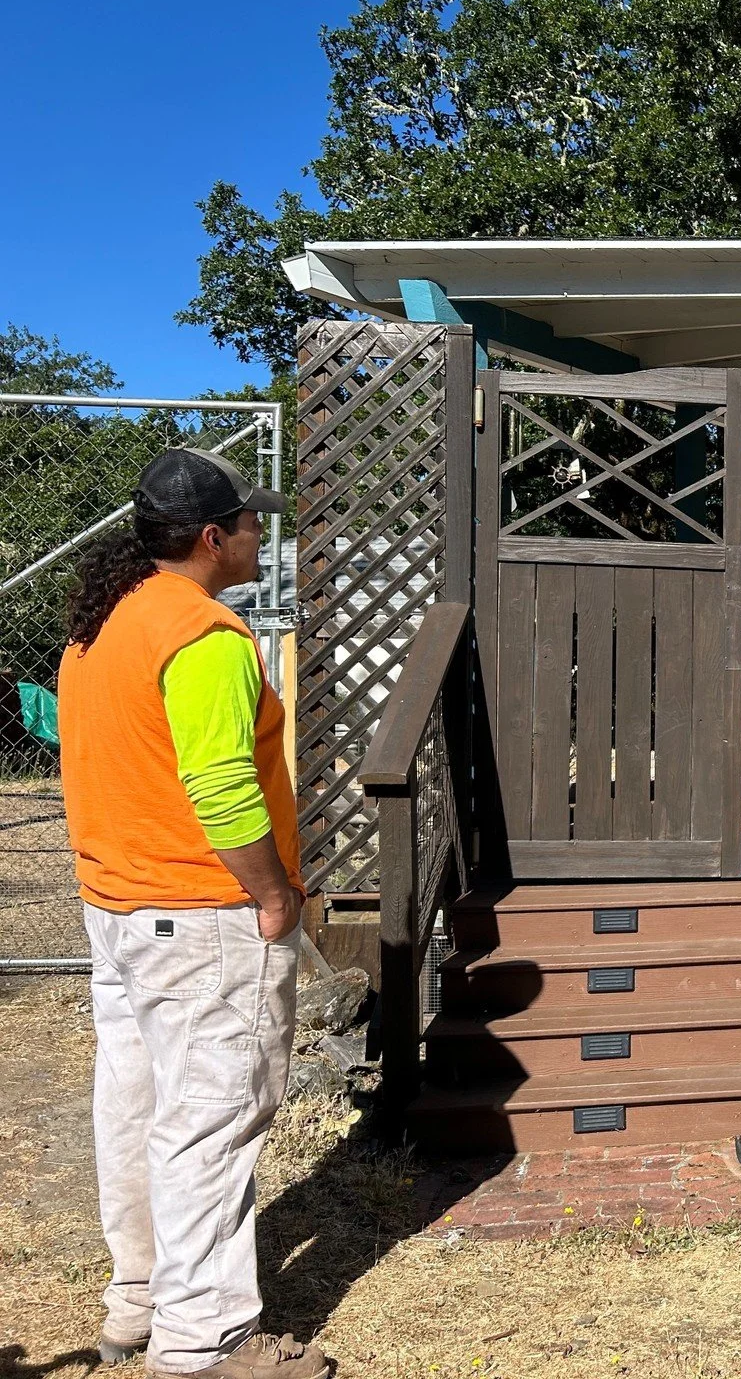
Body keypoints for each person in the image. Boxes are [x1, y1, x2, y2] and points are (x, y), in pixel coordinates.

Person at [58, 448, 329, 1378]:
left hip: (120, 909)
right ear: (214, 538)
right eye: (252, 524)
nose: (262, 536)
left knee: (136, 1105)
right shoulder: (206, 636)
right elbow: (219, 785)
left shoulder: (102, 627)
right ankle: (205, 1343)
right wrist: (273, 894)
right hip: (205, 915)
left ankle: (138, 1300)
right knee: (209, 1122)